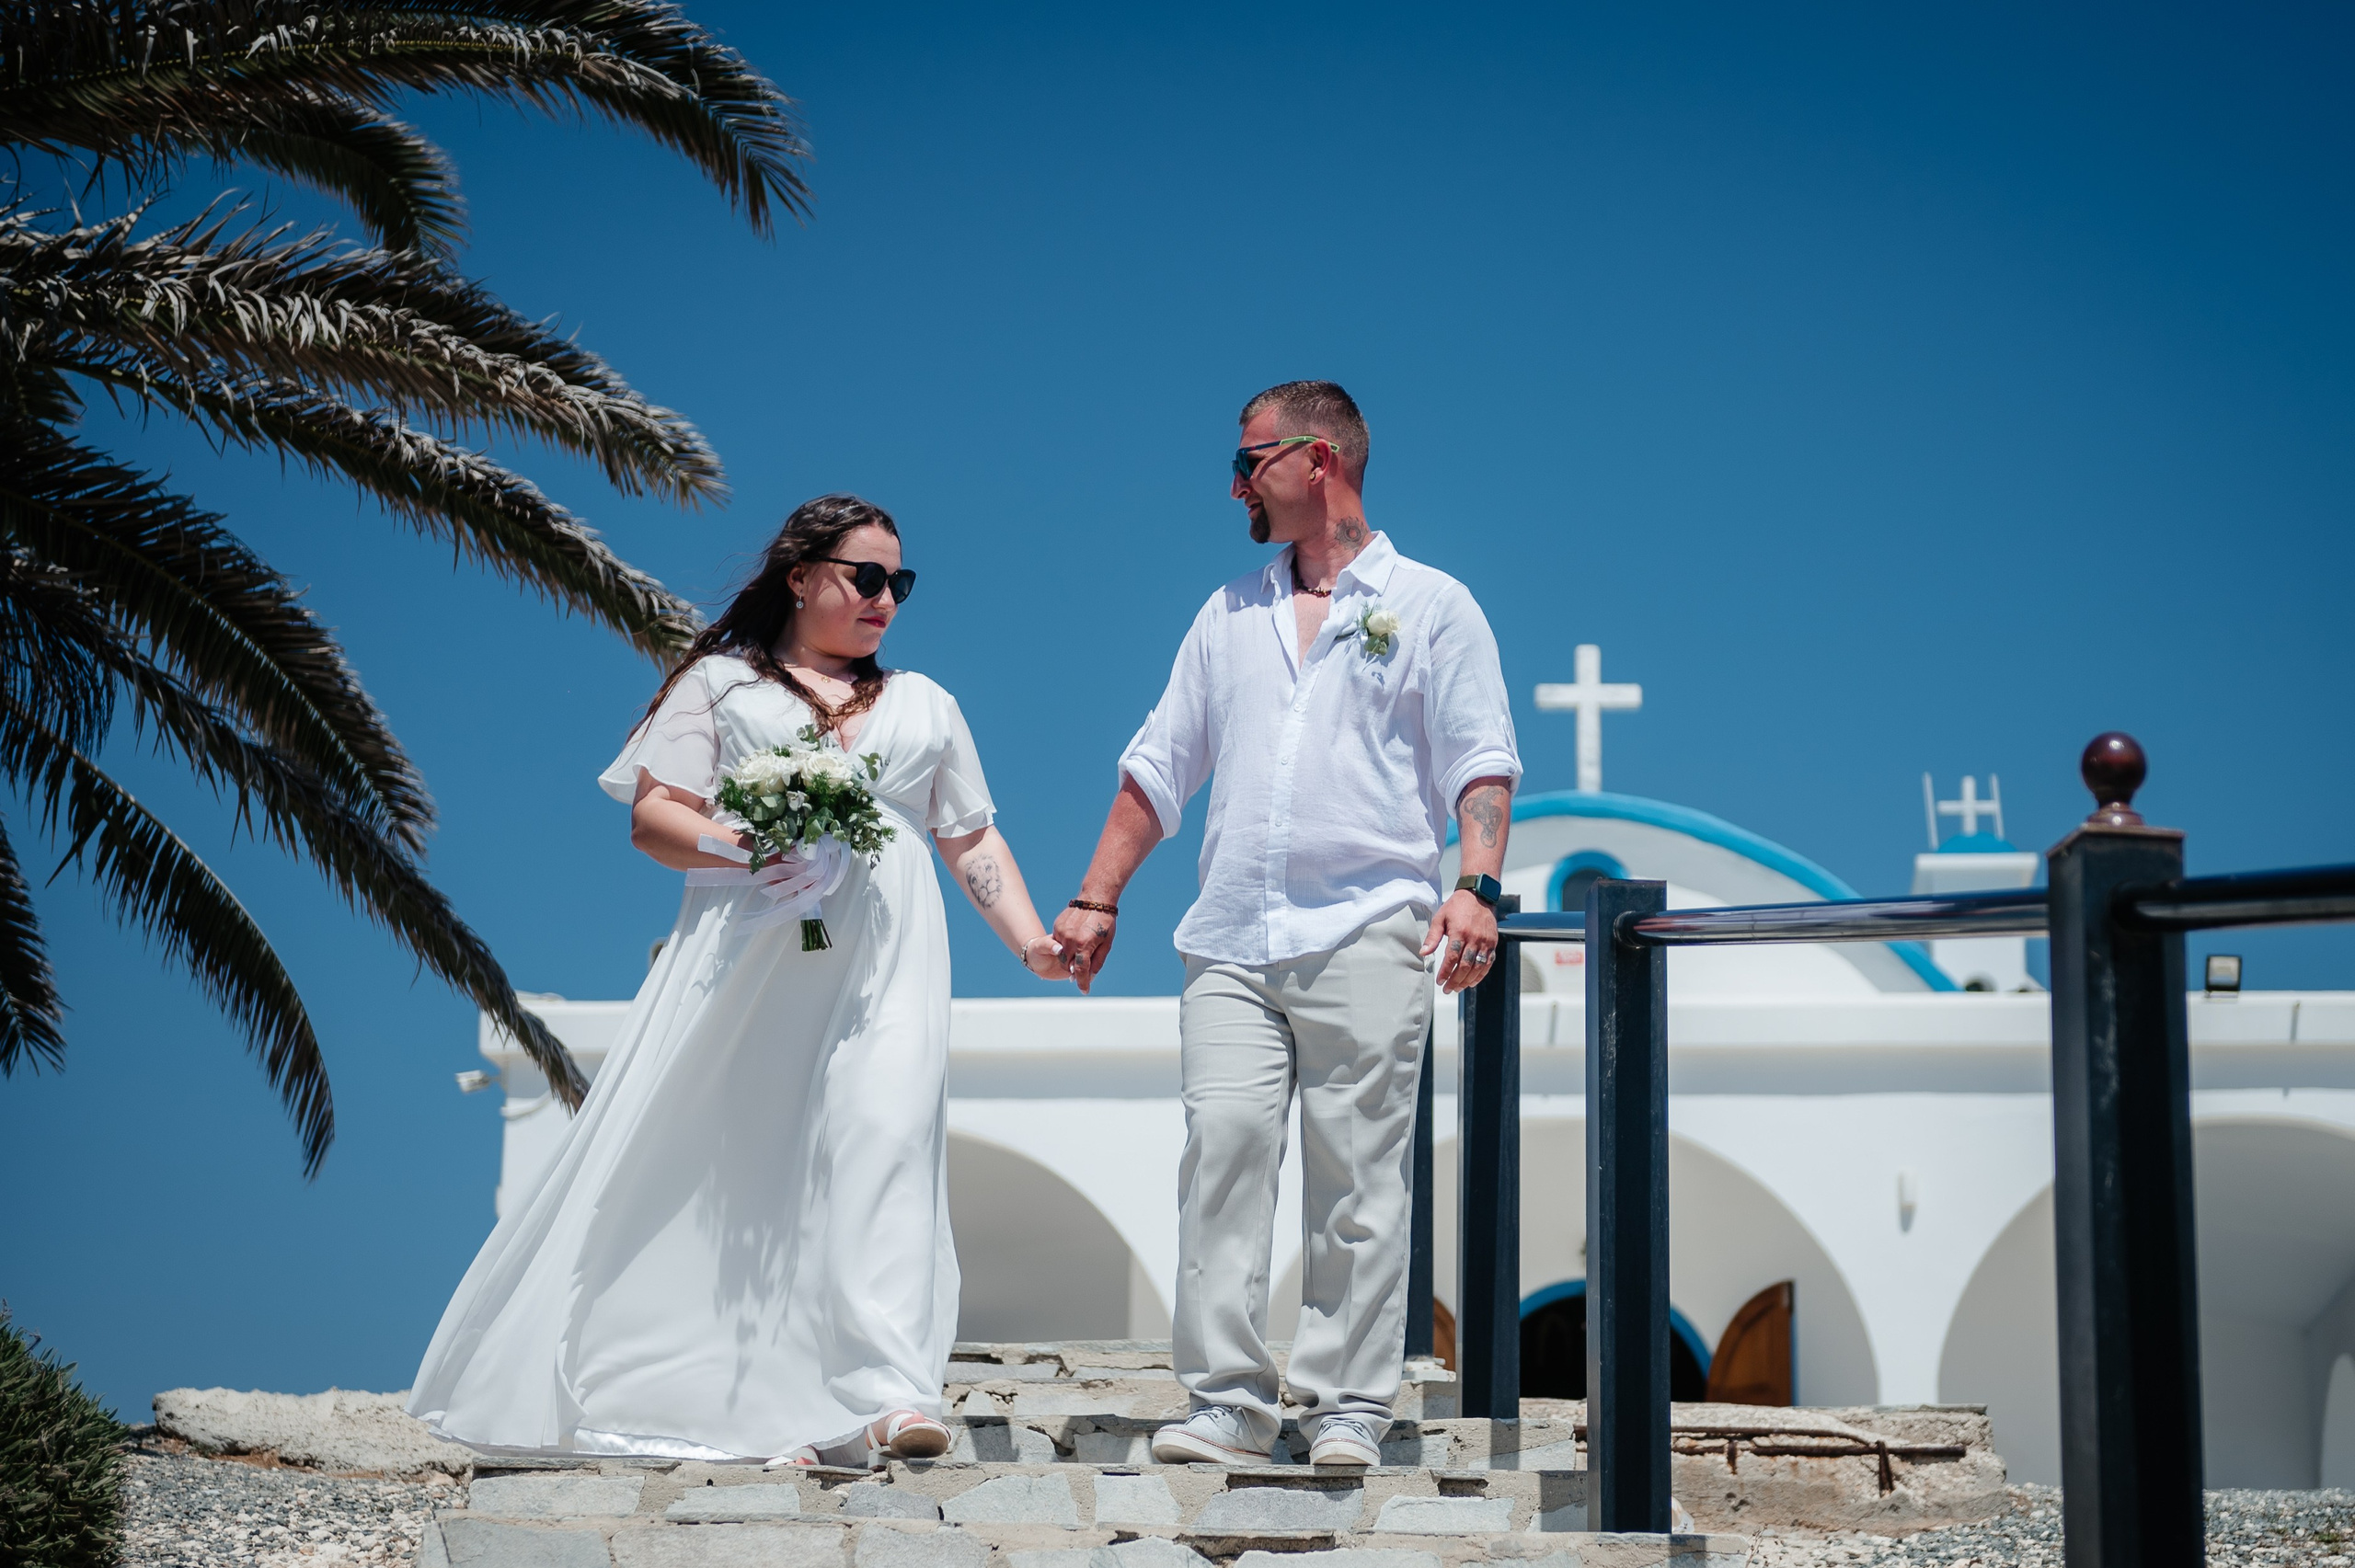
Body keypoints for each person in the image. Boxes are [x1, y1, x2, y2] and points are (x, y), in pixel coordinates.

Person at [408, 494, 1070, 1469]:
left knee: (884, 1135)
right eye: (867, 576)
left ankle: (887, 1391)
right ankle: (737, 1394)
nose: (888, 597)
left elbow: (968, 835)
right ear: (801, 577)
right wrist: (747, 844)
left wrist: (1034, 946)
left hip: (888, 961)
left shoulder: (926, 704)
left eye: (901, 582)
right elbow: (653, 816)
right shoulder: (720, 686)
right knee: (737, 1157)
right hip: (749, 955)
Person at [1054, 382, 1522, 1468]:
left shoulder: (1435, 605)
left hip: (1367, 926)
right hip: (1229, 936)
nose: (1233, 485)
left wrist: (1478, 886)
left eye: (1248, 462)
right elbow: (1158, 765)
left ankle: (1348, 1403)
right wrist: (1096, 895)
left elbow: (1478, 759)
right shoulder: (1227, 613)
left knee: (1358, 1172)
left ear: (1318, 459)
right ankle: (1224, 1400)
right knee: (1221, 1148)